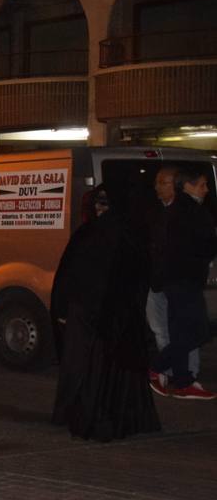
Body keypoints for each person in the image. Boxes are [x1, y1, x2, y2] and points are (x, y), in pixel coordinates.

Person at [50, 185, 160, 440]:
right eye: (98, 203)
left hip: (95, 315)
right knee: (108, 369)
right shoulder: (131, 234)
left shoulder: (94, 234)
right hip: (112, 315)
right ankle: (114, 416)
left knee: (88, 367)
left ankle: (87, 414)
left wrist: (64, 308)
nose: (100, 209)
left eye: (105, 203)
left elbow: (71, 276)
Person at [151, 168, 217, 400]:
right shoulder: (191, 211)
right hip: (185, 281)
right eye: (202, 185)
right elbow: (206, 246)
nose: (206, 190)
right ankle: (156, 367)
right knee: (198, 332)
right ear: (187, 186)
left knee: (180, 333)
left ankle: (182, 380)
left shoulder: (176, 210)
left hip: (174, 281)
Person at [144, 166, 199, 389]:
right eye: (157, 182)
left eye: (163, 182)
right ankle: (167, 373)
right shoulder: (153, 212)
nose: (157, 187)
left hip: (177, 282)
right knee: (161, 329)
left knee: (187, 331)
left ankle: (187, 374)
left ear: (176, 185)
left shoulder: (184, 213)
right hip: (156, 282)